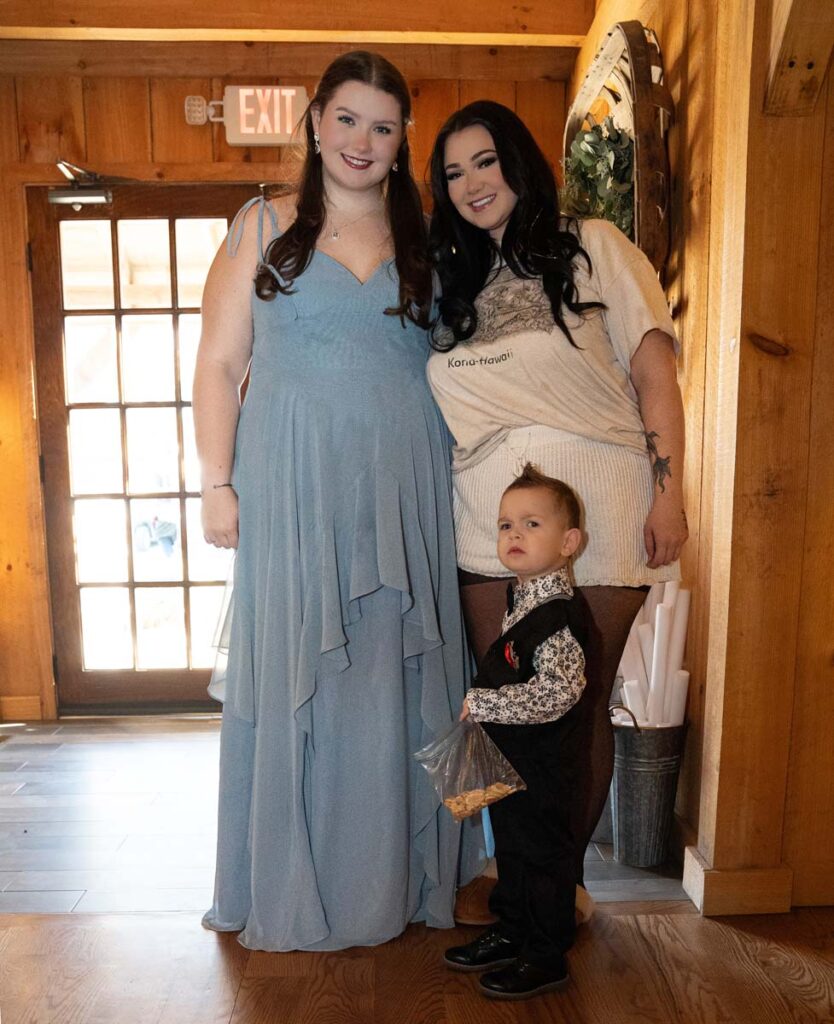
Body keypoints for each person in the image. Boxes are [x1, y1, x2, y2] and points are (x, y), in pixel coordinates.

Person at [194, 51, 481, 952]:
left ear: (402, 142)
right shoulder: (260, 225)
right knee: (301, 675)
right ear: (316, 121)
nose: (363, 140)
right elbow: (219, 363)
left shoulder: (430, 237)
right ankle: (292, 881)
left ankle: (417, 878)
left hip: (407, 490)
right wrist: (215, 481)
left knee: (401, 675)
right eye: (347, 118)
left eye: (383, 127)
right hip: (292, 485)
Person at [426, 101, 688, 922]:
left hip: (598, 503)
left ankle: (560, 889)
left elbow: (654, 373)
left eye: (486, 161)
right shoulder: (450, 281)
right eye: (453, 172)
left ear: (520, 161)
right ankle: (514, 880)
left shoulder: (597, 247)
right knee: (503, 703)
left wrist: (671, 491)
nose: (472, 183)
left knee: (576, 706)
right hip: (486, 514)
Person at [444, 465, 589, 999]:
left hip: (545, 769)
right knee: (511, 847)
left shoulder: (557, 617)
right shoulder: (523, 598)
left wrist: (485, 701)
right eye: (506, 524)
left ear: (569, 543)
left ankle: (545, 955)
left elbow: (557, 694)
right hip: (515, 761)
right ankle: (513, 930)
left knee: (543, 857)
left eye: (532, 524)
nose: (514, 534)